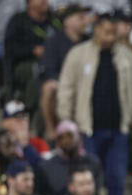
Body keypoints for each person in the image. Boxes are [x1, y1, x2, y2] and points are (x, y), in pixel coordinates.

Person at [57, 12, 132, 195]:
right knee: (89, 180)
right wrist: (66, 123)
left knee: (116, 179)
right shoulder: (78, 54)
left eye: (113, 33)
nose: (111, 38)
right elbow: (66, 89)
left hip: (118, 129)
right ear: (96, 30)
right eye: (106, 33)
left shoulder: (126, 56)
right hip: (87, 129)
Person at [40, 3, 90, 141]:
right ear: (67, 21)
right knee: (48, 87)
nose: (85, 21)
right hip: (62, 85)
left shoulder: (89, 41)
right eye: (80, 17)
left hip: (86, 84)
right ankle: (51, 131)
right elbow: (48, 70)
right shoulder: (54, 41)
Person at [35, 120, 103, 195]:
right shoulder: (46, 166)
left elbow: (96, 193)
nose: (65, 141)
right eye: (61, 137)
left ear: (78, 137)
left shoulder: (92, 163)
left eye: (69, 136)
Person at [3, 0, 52, 102]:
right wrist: (33, 50)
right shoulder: (18, 20)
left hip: (53, 61)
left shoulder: (54, 20)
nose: (45, 1)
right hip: (25, 63)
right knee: (37, 70)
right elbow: (10, 49)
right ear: (29, 3)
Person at [0, 100, 50, 167]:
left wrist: (26, 146)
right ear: (5, 123)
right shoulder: (0, 145)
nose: (23, 120)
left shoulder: (39, 143)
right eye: (18, 116)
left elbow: (45, 170)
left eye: (25, 115)